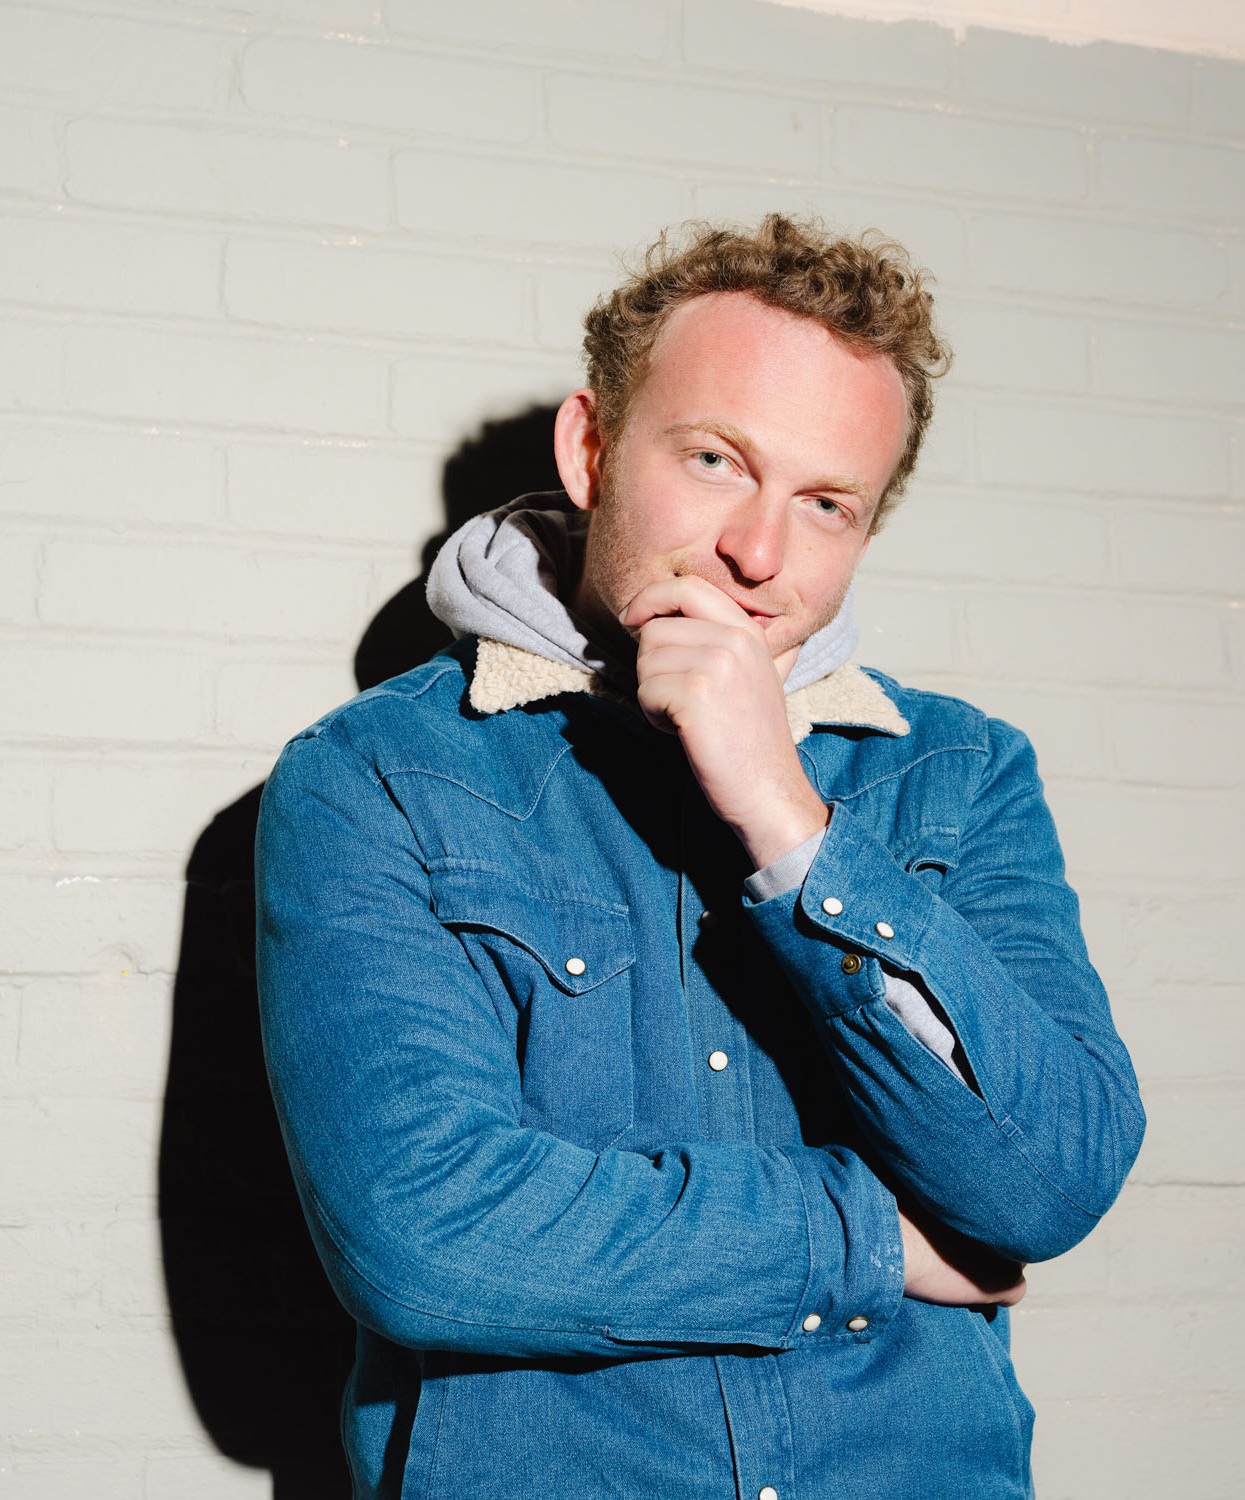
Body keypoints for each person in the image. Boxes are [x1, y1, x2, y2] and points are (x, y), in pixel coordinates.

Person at [255, 215, 1145, 1499]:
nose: (758, 556)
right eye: (717, 460)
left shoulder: (960, 774)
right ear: (591, 448)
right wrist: (868, 1241)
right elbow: (424, 1236)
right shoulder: (378, 776)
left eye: (824, 504)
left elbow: (1049, 1181)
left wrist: (789, 824)